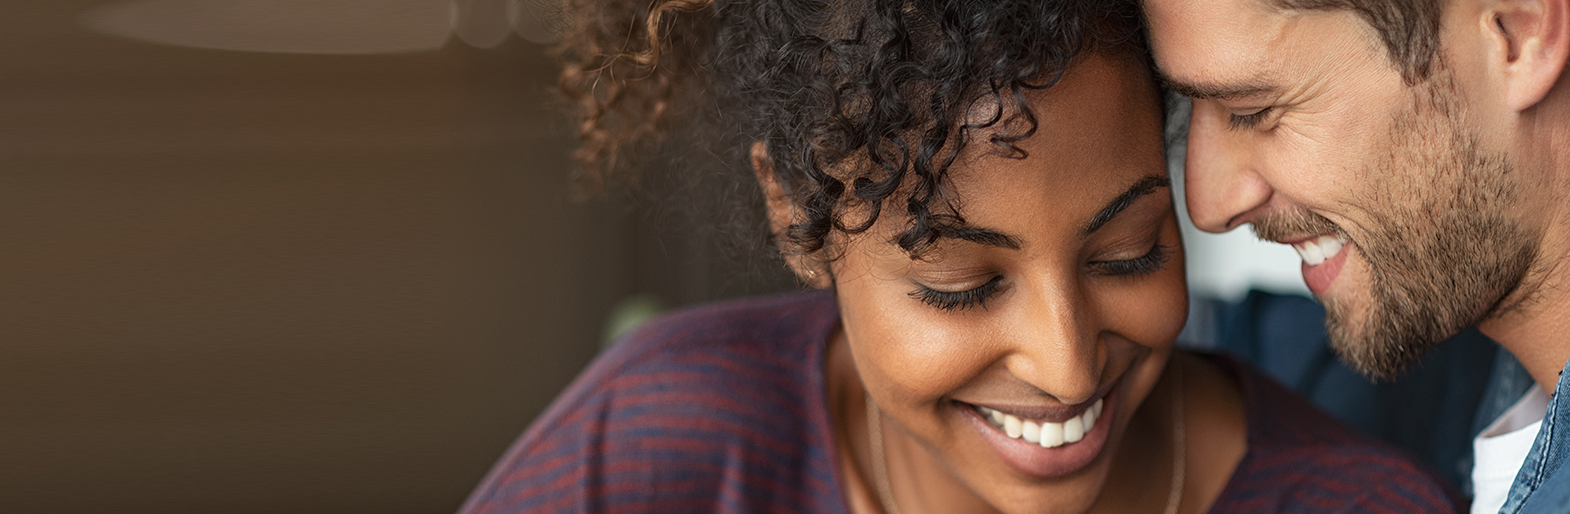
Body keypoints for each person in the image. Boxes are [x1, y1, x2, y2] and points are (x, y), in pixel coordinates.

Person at [463, 0, 1458, 512]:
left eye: (1126, 253)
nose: (1066, 363)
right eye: (961, 287)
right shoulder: (662, 446)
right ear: (796, 214)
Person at [1141, 1, 1570, 513]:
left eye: (1253, 111)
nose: (1207, 206)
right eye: (1188, 111)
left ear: (1519, 32)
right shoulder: (1442, 364)